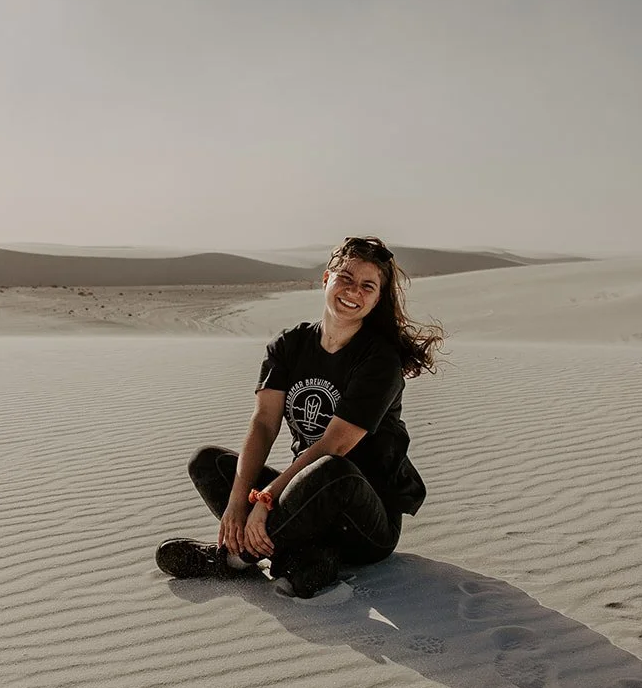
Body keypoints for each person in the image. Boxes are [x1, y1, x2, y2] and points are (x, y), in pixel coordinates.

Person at [155, 235, 443, 598]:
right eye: (346, 279)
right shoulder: (290, 345)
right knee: (208, 462)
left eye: (367, 286)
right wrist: (237, 501)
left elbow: (334, 445)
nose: (354, 291)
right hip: (302, 499)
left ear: (377, 298)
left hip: (365, 520)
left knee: (331, 470)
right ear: (326, 279)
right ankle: (307, 557)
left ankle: (232, 559)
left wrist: (264, 500)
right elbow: (263, 424)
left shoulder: (379, 361)